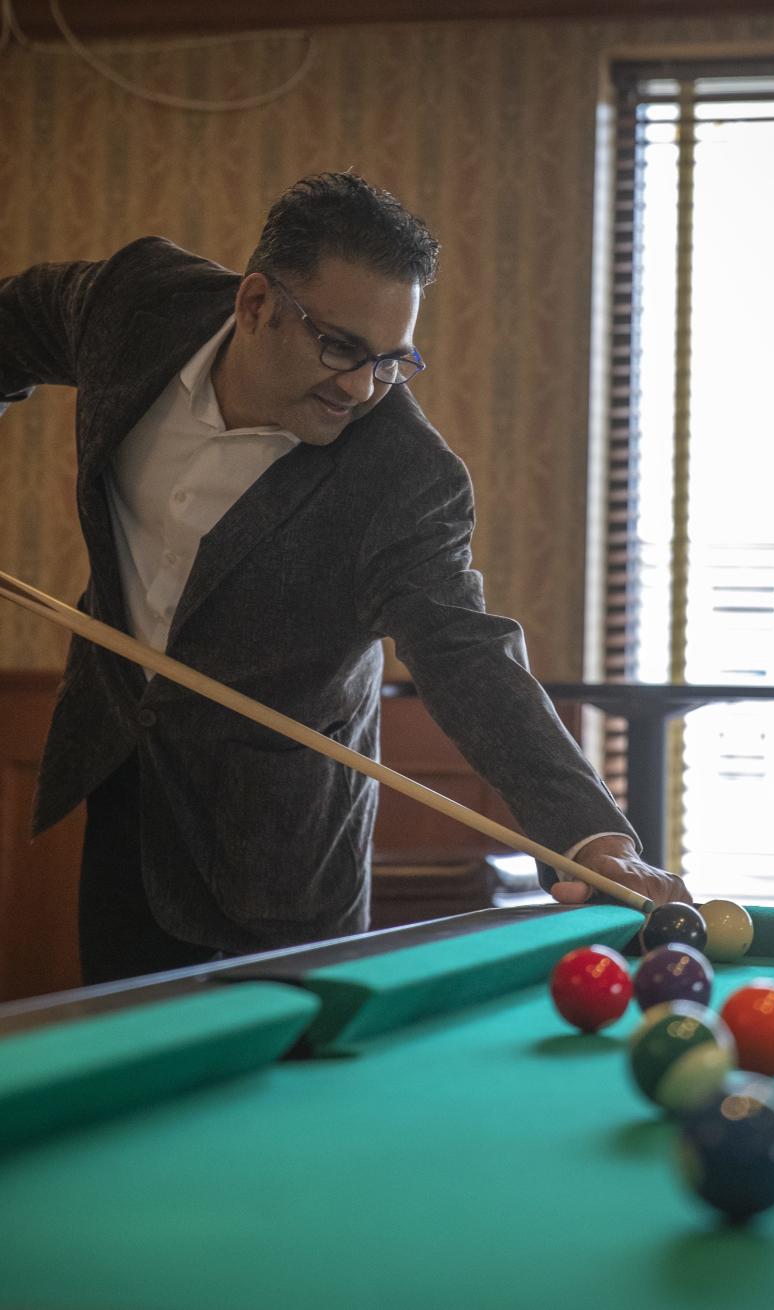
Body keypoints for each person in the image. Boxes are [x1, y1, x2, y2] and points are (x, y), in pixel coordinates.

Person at [0, 172, 689, 984]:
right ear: (256, 305)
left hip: (282, 846)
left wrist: (592, 836)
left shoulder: (403, 475)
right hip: (125, 779)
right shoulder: (136, 307)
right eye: (341, 348)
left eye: (393, 361)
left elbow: (466, 650)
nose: (362, 387)